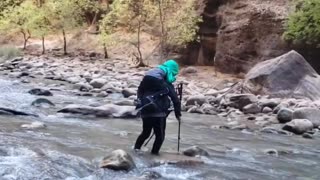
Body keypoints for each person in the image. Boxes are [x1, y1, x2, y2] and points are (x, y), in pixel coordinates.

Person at [134, 59, 181, 155]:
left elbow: (140, 91)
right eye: (174, 73)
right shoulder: (165, 83)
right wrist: (178, 114)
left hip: (145, 109)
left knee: (145, 133)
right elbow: (175, 99)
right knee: (160, 136)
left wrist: (140, 102)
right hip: (158, 113)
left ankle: (135, 151)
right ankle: (154, 156)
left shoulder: (146, 78)